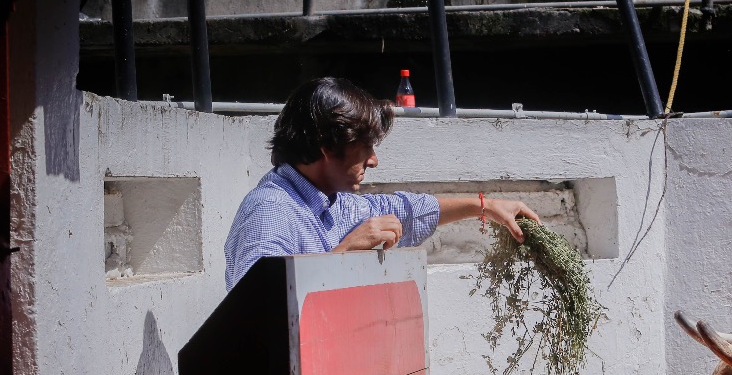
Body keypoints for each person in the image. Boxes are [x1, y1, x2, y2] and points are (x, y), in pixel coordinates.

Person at [224, 76, 541, 290]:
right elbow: (258, 310)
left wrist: (485, 206)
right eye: (366, 148)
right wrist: (345, 251)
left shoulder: (335, 201)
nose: (373, 160)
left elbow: (406, 209)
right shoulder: (270, 212)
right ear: (328, 146)